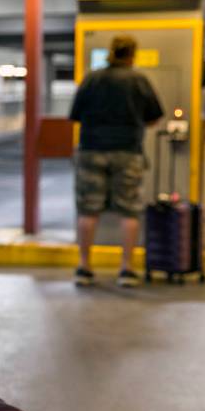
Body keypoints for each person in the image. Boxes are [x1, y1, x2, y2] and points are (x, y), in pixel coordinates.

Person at [69, 35, 163, 288]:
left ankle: (84, 267)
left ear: (111, 52)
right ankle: (126, 270)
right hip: (128, 151)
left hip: (91, 150)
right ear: (133, 54)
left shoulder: (92, 78)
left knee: (88, 210)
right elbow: (154, 117)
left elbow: (75, 115)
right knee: (129, 210)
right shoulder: (138, 80)